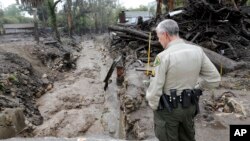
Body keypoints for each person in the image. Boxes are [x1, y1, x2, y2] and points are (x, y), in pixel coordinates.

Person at [146, 19, 221, 141]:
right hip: (189, 107)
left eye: (159, 37)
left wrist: (154, 106)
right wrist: (197, 88)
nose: (159, 41)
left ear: (165, 35)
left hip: (168, 110)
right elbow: (214, 79)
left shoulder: (163, 57)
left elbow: (155, 89)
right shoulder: (197, 51)